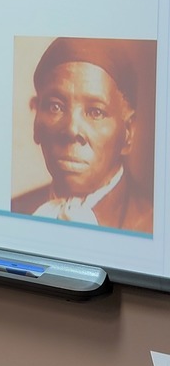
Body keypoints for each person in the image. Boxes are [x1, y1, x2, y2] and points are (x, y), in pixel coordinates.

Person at [11, 36, 153, 233]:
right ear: (36, 120)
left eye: (95, 112)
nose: (72, 129)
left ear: (128, 132)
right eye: (55, 107)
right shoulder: (14, 208)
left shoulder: (155, 225)